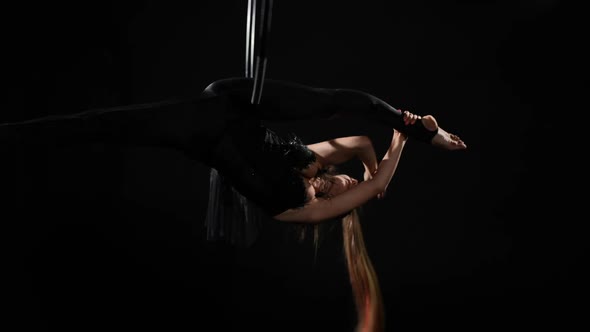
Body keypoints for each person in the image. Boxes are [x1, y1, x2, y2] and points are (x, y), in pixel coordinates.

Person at [1, 76, 466, 332]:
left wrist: (393, 158)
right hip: (235, 102)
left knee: (101, 124)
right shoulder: (315, 164)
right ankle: (425, 130)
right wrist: (393, 149)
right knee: (337, 101)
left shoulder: (301, 209)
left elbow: (375, 173)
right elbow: (363, 140)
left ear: (346, 203)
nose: (348, 180)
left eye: (354, 188)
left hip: (202, 129)